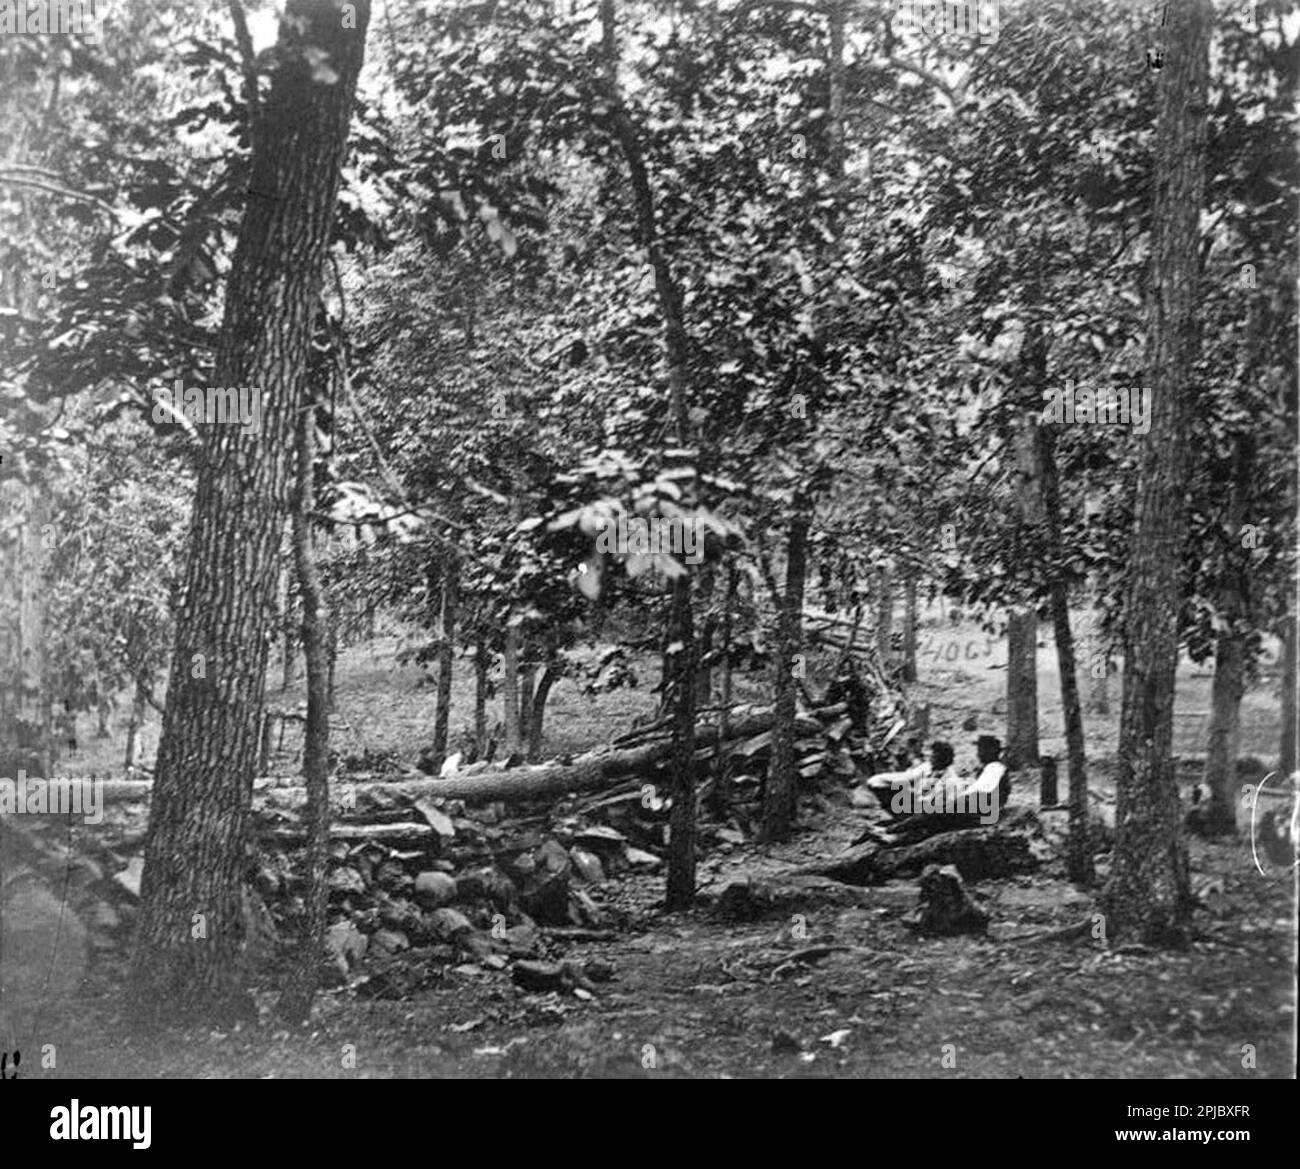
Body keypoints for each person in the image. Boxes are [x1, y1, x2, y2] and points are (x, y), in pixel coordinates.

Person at [853, 740, 958, 813]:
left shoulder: (950, 780)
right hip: (914, 800)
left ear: (941, 758)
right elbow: (906, 777)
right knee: (876, 782)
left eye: (933, 755)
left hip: (929, 810)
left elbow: (937, 805)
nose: (929, 756)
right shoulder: (927, 766)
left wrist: (914, 795)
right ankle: (894, 813)